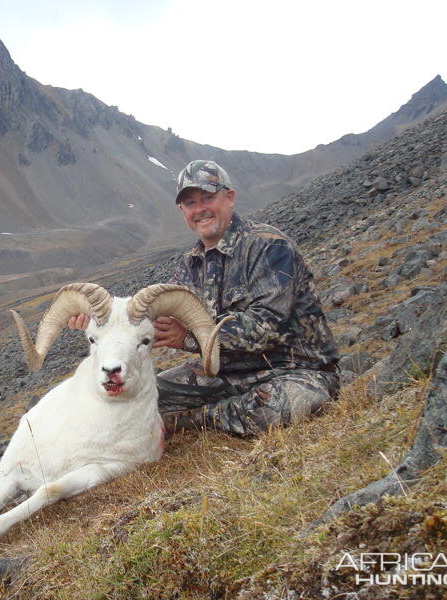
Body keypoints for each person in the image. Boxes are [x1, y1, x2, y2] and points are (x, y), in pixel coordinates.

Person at [69, 159, 339, 436]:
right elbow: (151, 321)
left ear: (229, 198)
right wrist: (101, 322)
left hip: (294, 369)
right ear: (182, 210)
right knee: (141, 395)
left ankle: (195, 421)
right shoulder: (189, 265)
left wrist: (188, 336)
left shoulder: (269, 246)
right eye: (190, 204)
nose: (200, 210)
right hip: (221, 373)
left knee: (290, 403)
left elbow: (267, 330)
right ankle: (219, 413)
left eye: (208, 198)